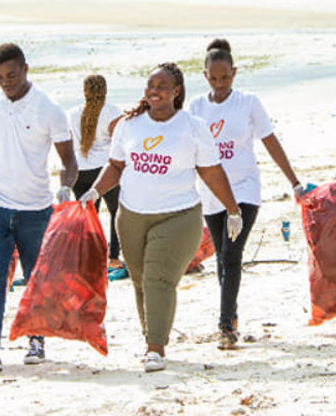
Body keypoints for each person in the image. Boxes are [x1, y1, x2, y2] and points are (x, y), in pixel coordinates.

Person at [78, 62, 243, 372]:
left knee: (158, 280)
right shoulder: (129, 125)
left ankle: (156, 348)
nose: (154, 91)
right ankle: (152, 336)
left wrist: (232, 209)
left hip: (178, 216)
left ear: (176, 91)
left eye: (162, 87)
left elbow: (211, 171)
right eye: (150, 86)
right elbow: (115, 165)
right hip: (131, 216)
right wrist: (94, 192)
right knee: (141, 282)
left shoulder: (192, 127)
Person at [0, 44, 78, 373]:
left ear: (25, 69)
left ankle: (36, 341)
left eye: (11, 75)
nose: (6, 82)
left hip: (35, 209)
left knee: (36, 279)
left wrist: (66, 187)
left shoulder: (49, 109)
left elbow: (69, 160)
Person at [188, 38, 306, 350]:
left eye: (225, 78)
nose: (220, 84)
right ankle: (233, 314)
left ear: (235, 73)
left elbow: (270, 142)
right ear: (205, 76)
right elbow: (187, 151)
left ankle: (225, 326)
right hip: (211, 194)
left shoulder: (248, 103)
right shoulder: (196, 108)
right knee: (221, 258)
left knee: (232, 254)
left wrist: (294, 181)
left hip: (244, 191)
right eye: (214, 79)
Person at [68, 74, 125, 269]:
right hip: (105, 170)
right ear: (105, 90)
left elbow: (70, 143)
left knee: (88, 218)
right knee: (115, 212)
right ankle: (114, 257)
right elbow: (119, 142)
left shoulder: (72, 113)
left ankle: (90, 258)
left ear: (84, 91)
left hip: (79, 171)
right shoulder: (112, 111)